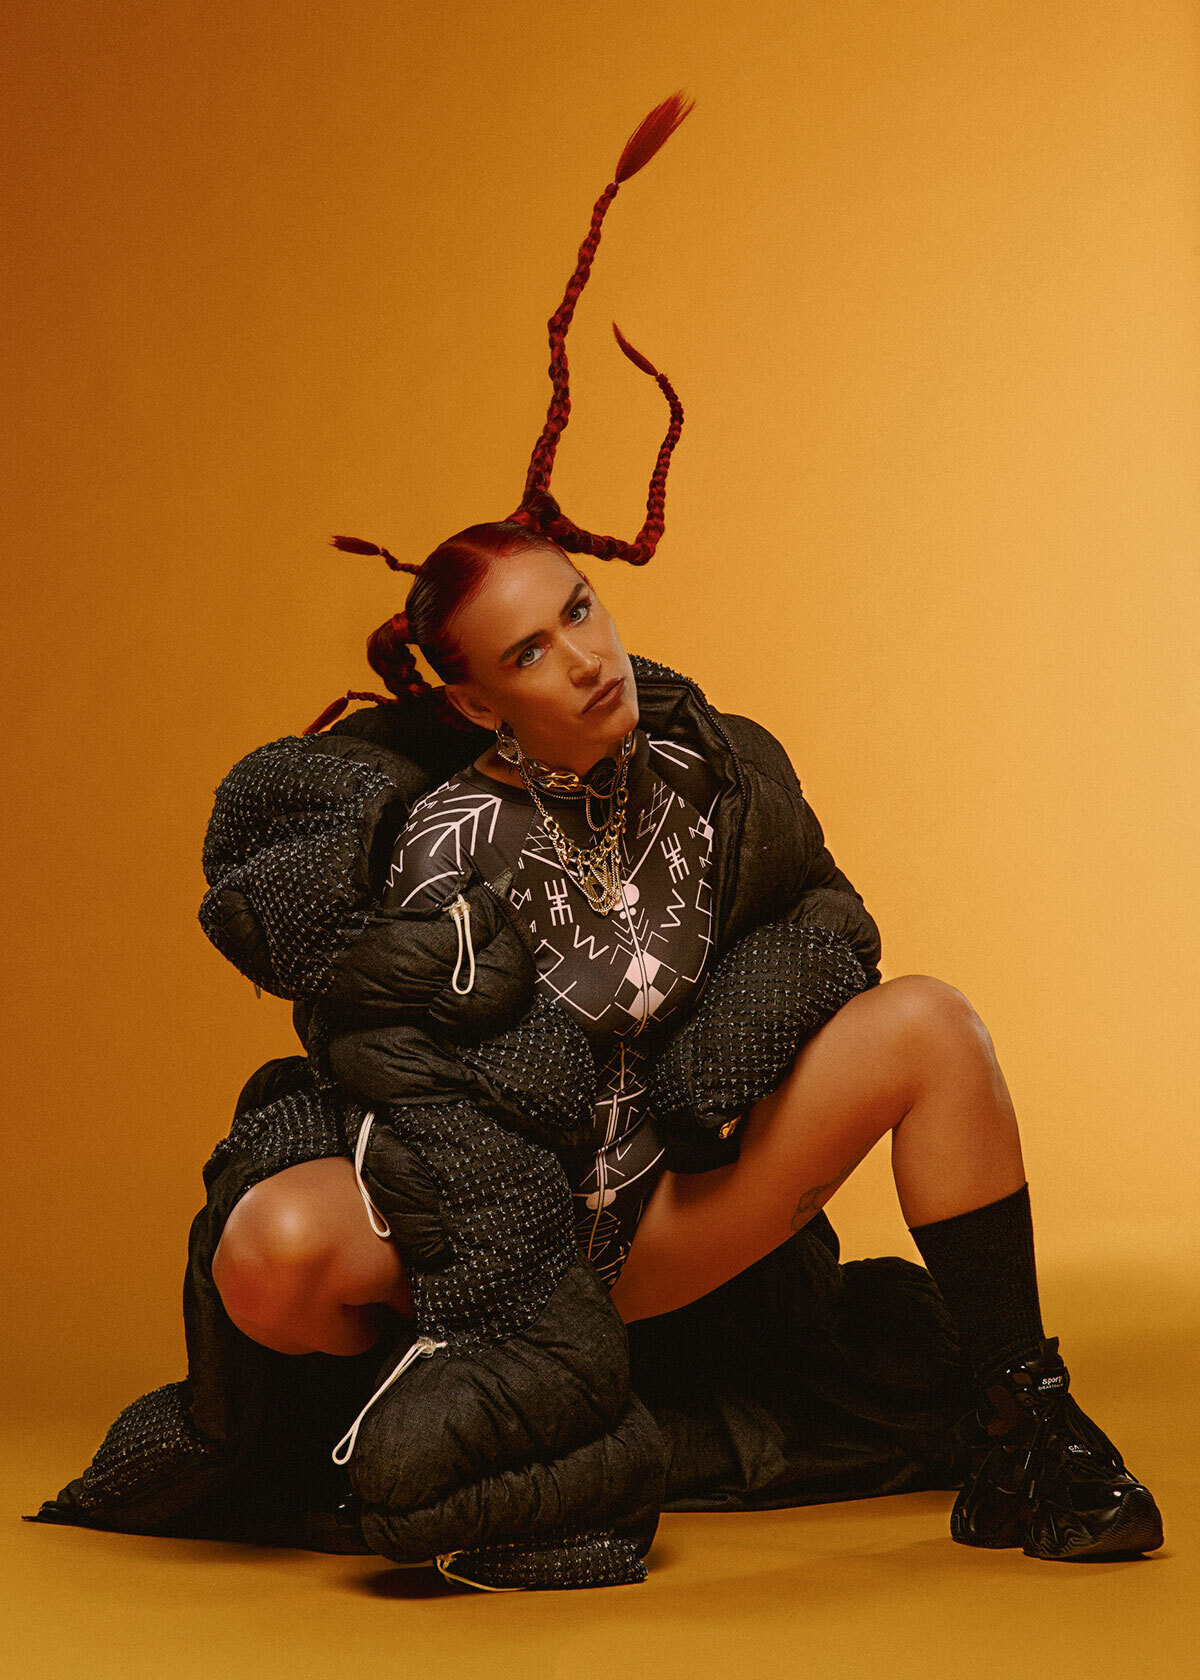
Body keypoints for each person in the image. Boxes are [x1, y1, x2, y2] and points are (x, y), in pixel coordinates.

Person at [29, 91, 1162, 1589]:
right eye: (530, 652)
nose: (584, 658)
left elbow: (826, 916)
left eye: (581, 609)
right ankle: (418, 1415)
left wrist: (729, 1055)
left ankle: (1031, 1423)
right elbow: (411, 1089)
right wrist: (509, 1271)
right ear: (473, 700)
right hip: (504, 1246)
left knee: (935, 1025)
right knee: (268, 1249)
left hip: (674, 1205)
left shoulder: (713, 763)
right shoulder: (440, 842)